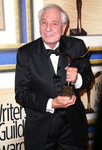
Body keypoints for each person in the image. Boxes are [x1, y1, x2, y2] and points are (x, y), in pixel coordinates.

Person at [15, 4, 94, 150]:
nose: (48, 28)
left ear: (63, 28)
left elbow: (89, 78)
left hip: (73, 131)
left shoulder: (77, 46)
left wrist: (78, 79)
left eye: (54, 23)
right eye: (44, 22)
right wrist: (51, 103)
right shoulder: (25, 53)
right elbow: (21, 94)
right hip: (40, 132)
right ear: (39, 25)